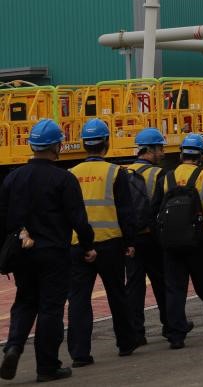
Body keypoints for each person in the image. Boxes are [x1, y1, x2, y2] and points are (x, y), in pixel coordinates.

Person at [0, 119, 93, 382]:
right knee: (50, 308)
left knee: (25, 302)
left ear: (31, 145)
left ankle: (14, 346)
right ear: (57, 146)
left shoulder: (12, 178)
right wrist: (87, 246)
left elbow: (3, 218)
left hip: (22, 252)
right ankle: (47, 366)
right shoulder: (64, 179)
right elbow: (78, 219)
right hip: (54, 253)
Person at [65, 119, 138, 367]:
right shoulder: (116, 172)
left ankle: (79, 353)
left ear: (84, 144)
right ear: (106, 142)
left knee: (78, 300)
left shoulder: (71, 174)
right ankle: (126, 343)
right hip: (110, 245)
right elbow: (126, 211)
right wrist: (130, 241)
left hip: (78, 246)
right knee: (117, 294)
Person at [151, 133, 203, 349]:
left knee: (175, 288)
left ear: (181, 154)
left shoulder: (166, 177)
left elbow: (155, 210)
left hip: (171, 242)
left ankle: (176, 334)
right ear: (201, 155)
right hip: (199, 240)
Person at [124, 127, 171, 345]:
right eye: (160, 148)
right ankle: (170, 326)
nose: (162, 153)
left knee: (134, 286)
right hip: (153, 236)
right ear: (150, 150)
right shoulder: (160, 174)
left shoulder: (123, 173)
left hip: (131, 239)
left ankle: (135, 332)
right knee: (162, 282)